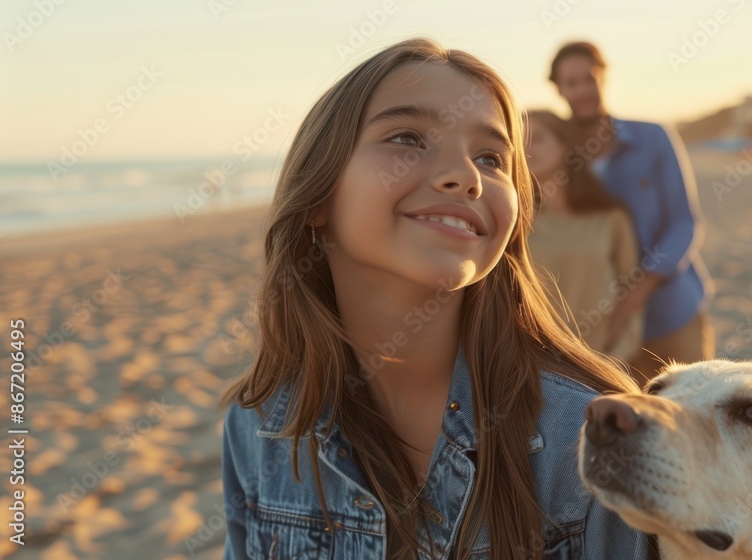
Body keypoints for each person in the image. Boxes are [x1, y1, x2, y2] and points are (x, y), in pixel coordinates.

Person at [220, 38, 658, 559]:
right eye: (407, 137)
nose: (467, 176)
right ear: (318, 195)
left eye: (491, 157)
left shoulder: (583, 438)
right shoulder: (261, 423)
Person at [548, 41, 715, 383]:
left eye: (589, 78)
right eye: (571, 82)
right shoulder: (557, 153)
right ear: (559, 89)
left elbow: (684, 221)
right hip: (600, 332)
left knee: (692, 417)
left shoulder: (652, 138)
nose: (582, 90)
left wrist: (640, 287)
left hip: (670, 311)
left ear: (603, 77)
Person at [524, 109, 644, 363]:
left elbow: (630, 291)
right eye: (519, 141)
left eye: (538, 138)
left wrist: (615, 360)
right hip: (535, 361)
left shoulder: (611, 217)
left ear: (565, 144)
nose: (527, 148)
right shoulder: (517, 219)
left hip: (601, 360)